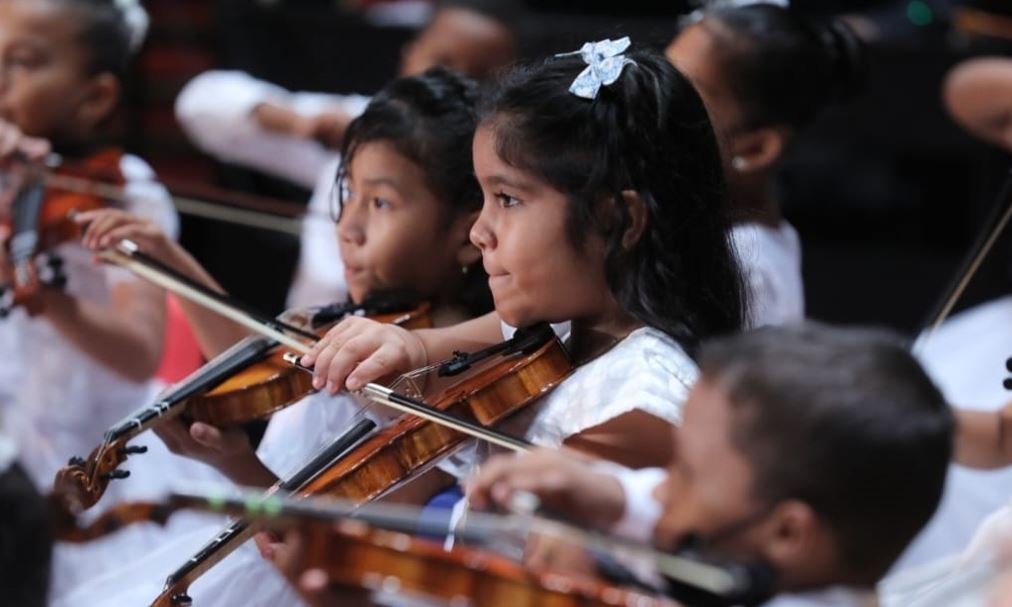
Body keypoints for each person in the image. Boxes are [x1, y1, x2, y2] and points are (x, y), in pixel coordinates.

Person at [62, 66, 493, 607]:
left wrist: (236, 465)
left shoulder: (457, 379)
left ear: (467, 233)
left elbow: (345, 547)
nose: (348, 225)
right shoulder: (349, 320)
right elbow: (256, 366)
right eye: (348, 193)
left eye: (380, 203)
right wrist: (168, 259)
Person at [464, 323, 954, 607]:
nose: (657, 491)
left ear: (787, 534)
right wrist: (611, 496)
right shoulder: (763, 558)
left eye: (686, 474)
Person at [174, 0, 520, 310]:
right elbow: (198, 104)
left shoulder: (498, 160)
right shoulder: (358, 122)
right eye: (348, 191)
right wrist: (298, 122)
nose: (346, 228)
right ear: (409, 55)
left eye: (479, 75)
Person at [666, 4, 865, 326]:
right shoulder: (699, 231)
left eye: (684, 94)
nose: (651, 99)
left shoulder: (748, 271)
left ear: (756, 148)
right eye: (662, 74)